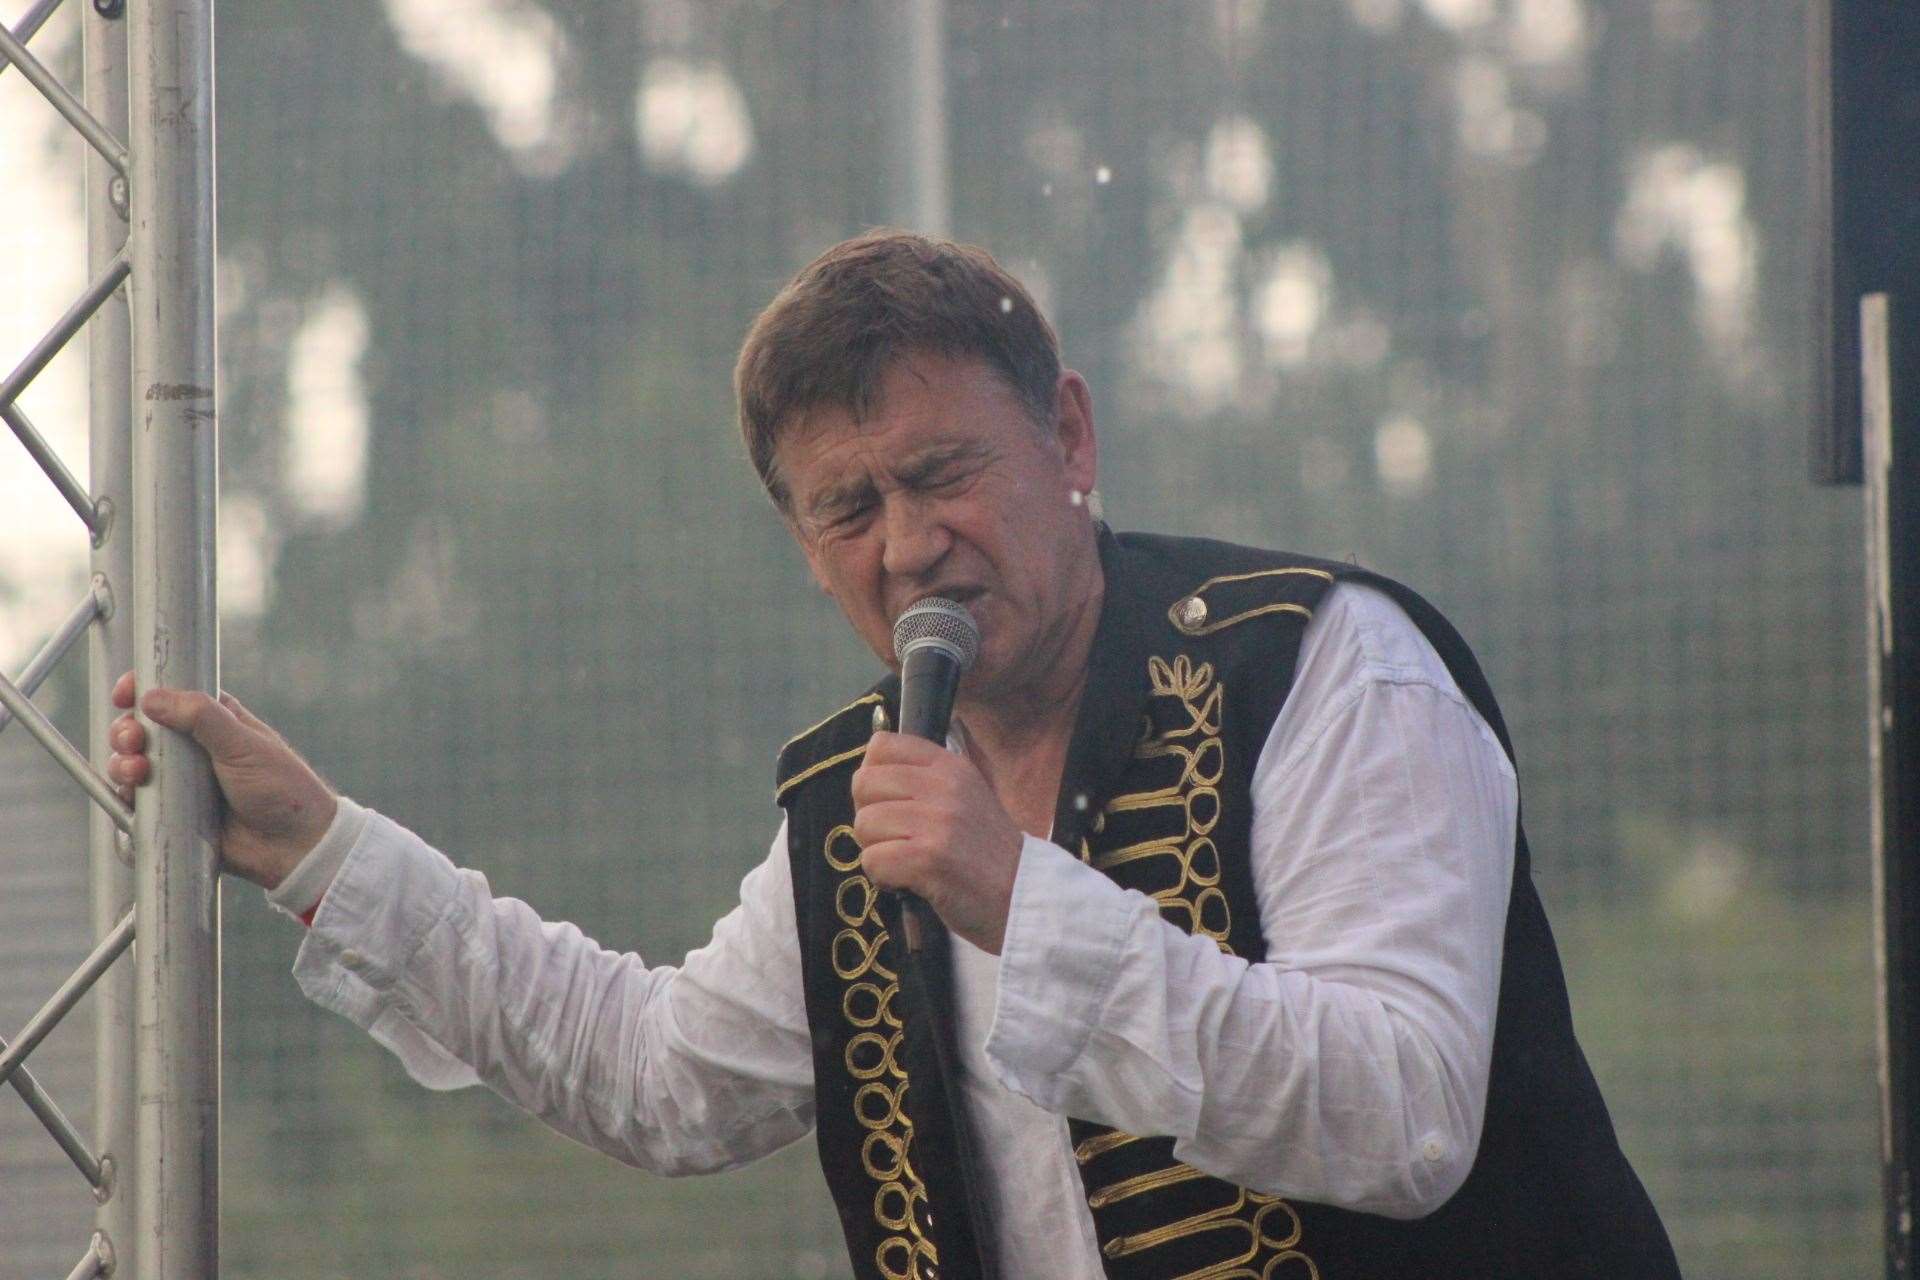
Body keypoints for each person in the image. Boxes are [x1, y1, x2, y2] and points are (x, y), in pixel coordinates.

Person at [108, 232, 1679, 1278]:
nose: (911, 546)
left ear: (1069, 439)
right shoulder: (862, 800)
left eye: (943, 475)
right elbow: (659, 1079)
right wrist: (327, 853)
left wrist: (1019, 897)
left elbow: (1400, 1114)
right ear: (804, 549)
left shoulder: (1325, 670)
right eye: (847, 511)